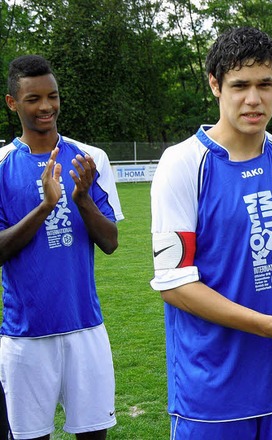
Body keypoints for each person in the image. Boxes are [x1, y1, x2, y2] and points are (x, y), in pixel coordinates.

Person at [149, 26, 272, 440]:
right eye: (240, 85)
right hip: (213, 393)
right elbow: (175, 285)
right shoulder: (182, 163)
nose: (254, 99)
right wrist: (269, 325)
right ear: (215, 85)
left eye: (265, 84)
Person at [0, 55, 123, 440]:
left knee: (93, 435)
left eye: (52, 96)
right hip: (24, 335)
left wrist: (82, 198)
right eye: (33, 98)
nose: (46, 107)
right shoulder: (2, 165)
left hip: (85, 327)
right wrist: (46, 206)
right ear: (12, 103)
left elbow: (110, 243)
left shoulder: (90, 159)